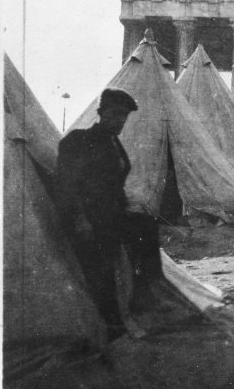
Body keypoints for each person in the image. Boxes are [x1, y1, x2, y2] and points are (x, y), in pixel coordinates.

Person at [56, 88, 160, 340]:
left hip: (110, 214)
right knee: (100, 267)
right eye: (114, 115)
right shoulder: (79, 141)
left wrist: (127, 204)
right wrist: (80, 219)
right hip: (87, 219)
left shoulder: (113, 142)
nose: (119, 121)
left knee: (146, 225)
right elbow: (68, 185)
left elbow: (114, 183)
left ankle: (145, 292)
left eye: (123, 117)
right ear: (101, 113)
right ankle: (113, 324)